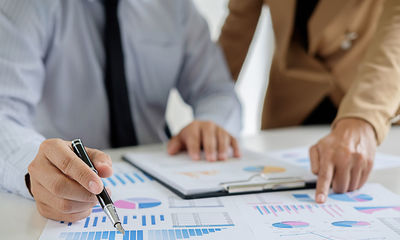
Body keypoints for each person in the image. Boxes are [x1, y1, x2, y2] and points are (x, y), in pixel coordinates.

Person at [0, 0, 241, 222]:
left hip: (161, 175)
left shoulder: (175, 6)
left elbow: (217, 91)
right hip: (67, 184)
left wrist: (212, 123)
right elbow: (4, 113)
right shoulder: (26, 6)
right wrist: (35, 167)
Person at [219, 0, 400, 203]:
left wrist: (365, 116)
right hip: (292, 102)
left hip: (370, 94)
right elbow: (238, 25)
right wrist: (213, 113)